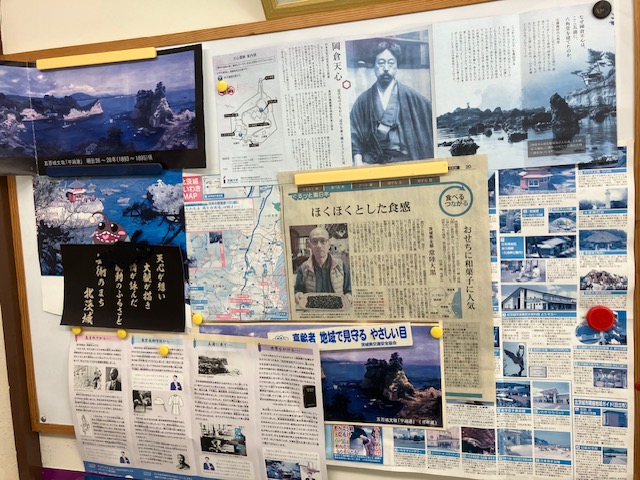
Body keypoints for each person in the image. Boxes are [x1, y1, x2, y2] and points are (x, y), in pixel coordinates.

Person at [350, 39, 434, 165]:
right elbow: (354, 134)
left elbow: (429, 118)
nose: (386, 68)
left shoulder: (411, 96)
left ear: (397, 67)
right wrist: (358, 162)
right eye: (381, 63)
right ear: (373, 67)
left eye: (391, 63)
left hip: (406, 162)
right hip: (374, 163)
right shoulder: (363, 101)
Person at [294, 227, 351, 306]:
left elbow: (349, 290)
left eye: (323, 241)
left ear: (329, 244)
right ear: (309, 245)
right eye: (314, 241)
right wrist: (298, 294)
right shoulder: (303, 268)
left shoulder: (342, 266)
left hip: (338, 309)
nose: (319, 245)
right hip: (313, 309)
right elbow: (298, 290)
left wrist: (349, 296)